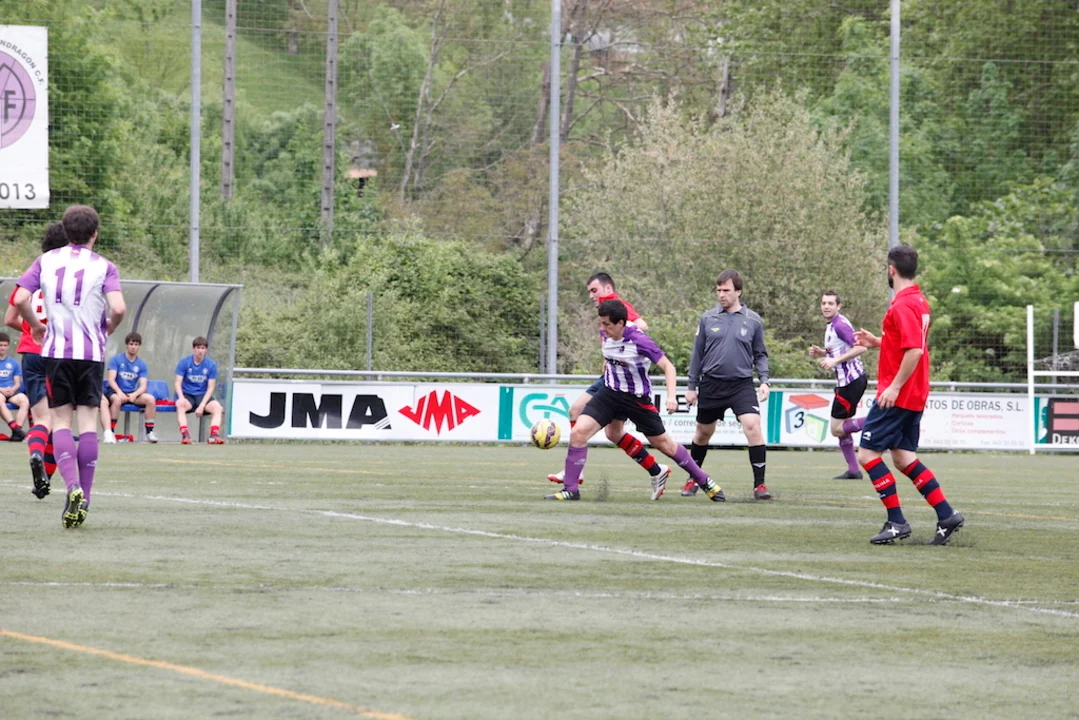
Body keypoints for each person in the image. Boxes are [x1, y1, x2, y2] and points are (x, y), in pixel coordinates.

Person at [13, 205, 126, 528]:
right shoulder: (105, 266)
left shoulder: (45, 261)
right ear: (95, 234)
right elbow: (118, 307)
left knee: (60, 421)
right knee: (88, 423)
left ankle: (71, 485)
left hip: (56, 352)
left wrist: (36, 325)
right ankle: (84, 498)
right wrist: (110, 324)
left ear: (66, 231)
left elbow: (20, 299)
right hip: (90, 354)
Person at [545, 299, 722, 502]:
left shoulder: (639, 340)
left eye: (607, 324)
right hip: (610, 393)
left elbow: (669, 367)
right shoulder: (606, 334)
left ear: (621, 323)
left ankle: (704, 480)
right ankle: (571, 489)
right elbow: (610, 355)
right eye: (601, 323)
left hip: (636, 400)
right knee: (579, 432)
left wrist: (672, 397)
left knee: (665, 445)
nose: (602, 328)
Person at [854, 245, 965, 545]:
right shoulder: (919, 300)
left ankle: (896, 522)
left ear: (891, 269)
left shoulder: (902, 305)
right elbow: (908, 341)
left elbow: (914, 350)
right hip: (915, 393)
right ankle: (947, 515)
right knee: (903, 458)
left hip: (898, 395)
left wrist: (894, 387)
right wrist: (879, 342)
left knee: (866, 454)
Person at [547, 272, 663, 486]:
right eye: (589, 292)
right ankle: (655, 469)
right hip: (611, 375)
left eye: (594, 290)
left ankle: (575, 471)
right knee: (613, 433)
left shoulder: (618, 306)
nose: (591, 295)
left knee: (576, 410)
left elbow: (642, 325)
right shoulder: (604, 310)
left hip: (621, 380)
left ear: (608, 289)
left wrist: (623, 347)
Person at [681, 270, 772, 500]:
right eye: (719, 290)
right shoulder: (708, 318)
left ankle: (760, 485)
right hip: (711, 384)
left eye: (726, 290)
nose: (721, 294)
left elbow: (760, 354)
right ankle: (693, 478)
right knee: (703, 433)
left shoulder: (753, 320)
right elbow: (697, 354)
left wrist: (764, 380)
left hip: (741, 385)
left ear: (738, 291)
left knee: (753, 426)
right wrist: (691, 386)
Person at [5, 222, 69, 498]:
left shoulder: (30, 275)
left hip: (31, 353)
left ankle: (37, 461)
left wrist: (32, 329)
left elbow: (10, 318)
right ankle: (47, 475)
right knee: (60, 418)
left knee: (41, 417)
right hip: (59, 353)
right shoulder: (69, 278)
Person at [808, 291, 868, 479]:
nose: (826, 306)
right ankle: (853, 470)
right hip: (849, 382)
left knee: (836, 429)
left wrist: (834, 361)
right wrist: (823, 353)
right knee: (842, 429)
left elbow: (861, 347)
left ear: (838, 306)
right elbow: (839, 349)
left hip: (850, 382)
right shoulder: (833, 325)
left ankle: (879, 420)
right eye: (823, 303)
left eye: (830, 303)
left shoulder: (840, 325)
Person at [105, 332, 158, 443]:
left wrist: (134, 394)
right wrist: (119, 392)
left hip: (131, 393)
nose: (133, 347)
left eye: (136, 344)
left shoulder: (142, 364)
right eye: (131, 344)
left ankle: (150, 432)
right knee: (116, 400)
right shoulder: (116, 360)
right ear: (127, 345)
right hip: (115, 391)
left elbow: (143, 385)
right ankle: (111, 433)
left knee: (150, 399)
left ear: (139, 346)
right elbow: (111, 380)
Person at [175, 336, 225, 444]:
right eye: (198, 348)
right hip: (187, 394)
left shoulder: (211, 364)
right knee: (180, 405)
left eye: (203, 348)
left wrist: (202, 405)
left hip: (203, 396)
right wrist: (181, 398)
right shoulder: (184, 362)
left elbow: (211, 387)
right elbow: (177, 382)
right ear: (193, 348)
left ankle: (214, 436)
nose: (200, 351)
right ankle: (185, 435)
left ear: (206, 349)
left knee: (218, 407)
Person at [0, 332, 29, 440]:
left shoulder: (14, 363)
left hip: (11, 392)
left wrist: (13, 389)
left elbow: (17, 383)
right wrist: (2, 390)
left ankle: (17, 433)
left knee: (24, 400)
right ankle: (15, 428)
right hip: (0, 392)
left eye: (5, 345)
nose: (2, 348)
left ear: (8, 346)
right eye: (0, 345)